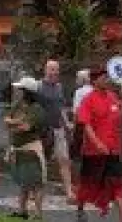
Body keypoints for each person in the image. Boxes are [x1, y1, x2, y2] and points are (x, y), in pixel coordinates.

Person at [76, 67, 122, 222]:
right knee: (87, 184)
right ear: (94, 81)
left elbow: (120, 116)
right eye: (103, 78)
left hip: (112, 150)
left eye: (107, 77)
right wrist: (97, 143)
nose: (107, 80)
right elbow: (85, 125)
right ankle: (80, 208)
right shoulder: (88, 99)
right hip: (93, 152)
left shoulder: (112, 96)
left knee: (117, 183)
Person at [7, 76, 48, 220]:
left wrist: (15, 124)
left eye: (21, 89)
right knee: (24, 183)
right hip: (19, 150)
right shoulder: (18, 104)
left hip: (31, 151)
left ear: (27, 91)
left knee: (36, 183)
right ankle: (22, 211)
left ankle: (38, 214)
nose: (18, 91)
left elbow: (26, 127)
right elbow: (7, 120)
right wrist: (17, 122)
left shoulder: (36, 109)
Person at [40, 59, 76, 203]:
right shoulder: (38, 87)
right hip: (43, 130)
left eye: (57, 69)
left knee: (64, 160)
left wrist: (67, 123)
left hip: (58, 129)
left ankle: (68, 192)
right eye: (52, 69)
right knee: (41, 161)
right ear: (46, 70)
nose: (55, 72)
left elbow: (61, 107)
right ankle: (34, 190)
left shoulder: (59, 87)